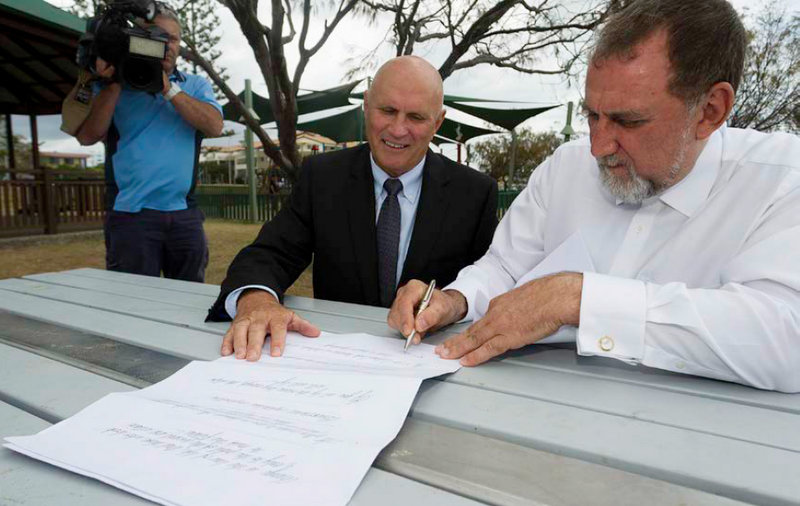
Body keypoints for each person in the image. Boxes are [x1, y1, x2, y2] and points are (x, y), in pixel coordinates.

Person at [389, 0, 800, 392]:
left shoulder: (781, 181)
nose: (598, 146)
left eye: (628, 121)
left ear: (710, 110)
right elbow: (505, 268)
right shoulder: (565, 168)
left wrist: (579, 299)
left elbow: (785, 340)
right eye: (592, 115)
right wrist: (455, 300)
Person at [208, 56, 499, 362]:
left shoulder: (475, 194)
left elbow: (493, 280)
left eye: (415, 117)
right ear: (366, 106)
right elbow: (270, 254)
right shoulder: (322, 178)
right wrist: (256, 300)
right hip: (335, 362)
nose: (398, 129)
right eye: (388, 111)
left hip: (433, 364)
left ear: (437, 122)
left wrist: (453, 305)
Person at [76, 5, 223, 282]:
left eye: (173, 39)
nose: (167, 45)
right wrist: (116, 81)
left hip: (184, 213)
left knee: (189, 299)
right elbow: (87, 136)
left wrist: (167, 87)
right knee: (132, 300)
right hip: (131, 214)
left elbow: (214, 125)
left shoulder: (195, 85)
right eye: (157, 36)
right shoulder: (112, 86)